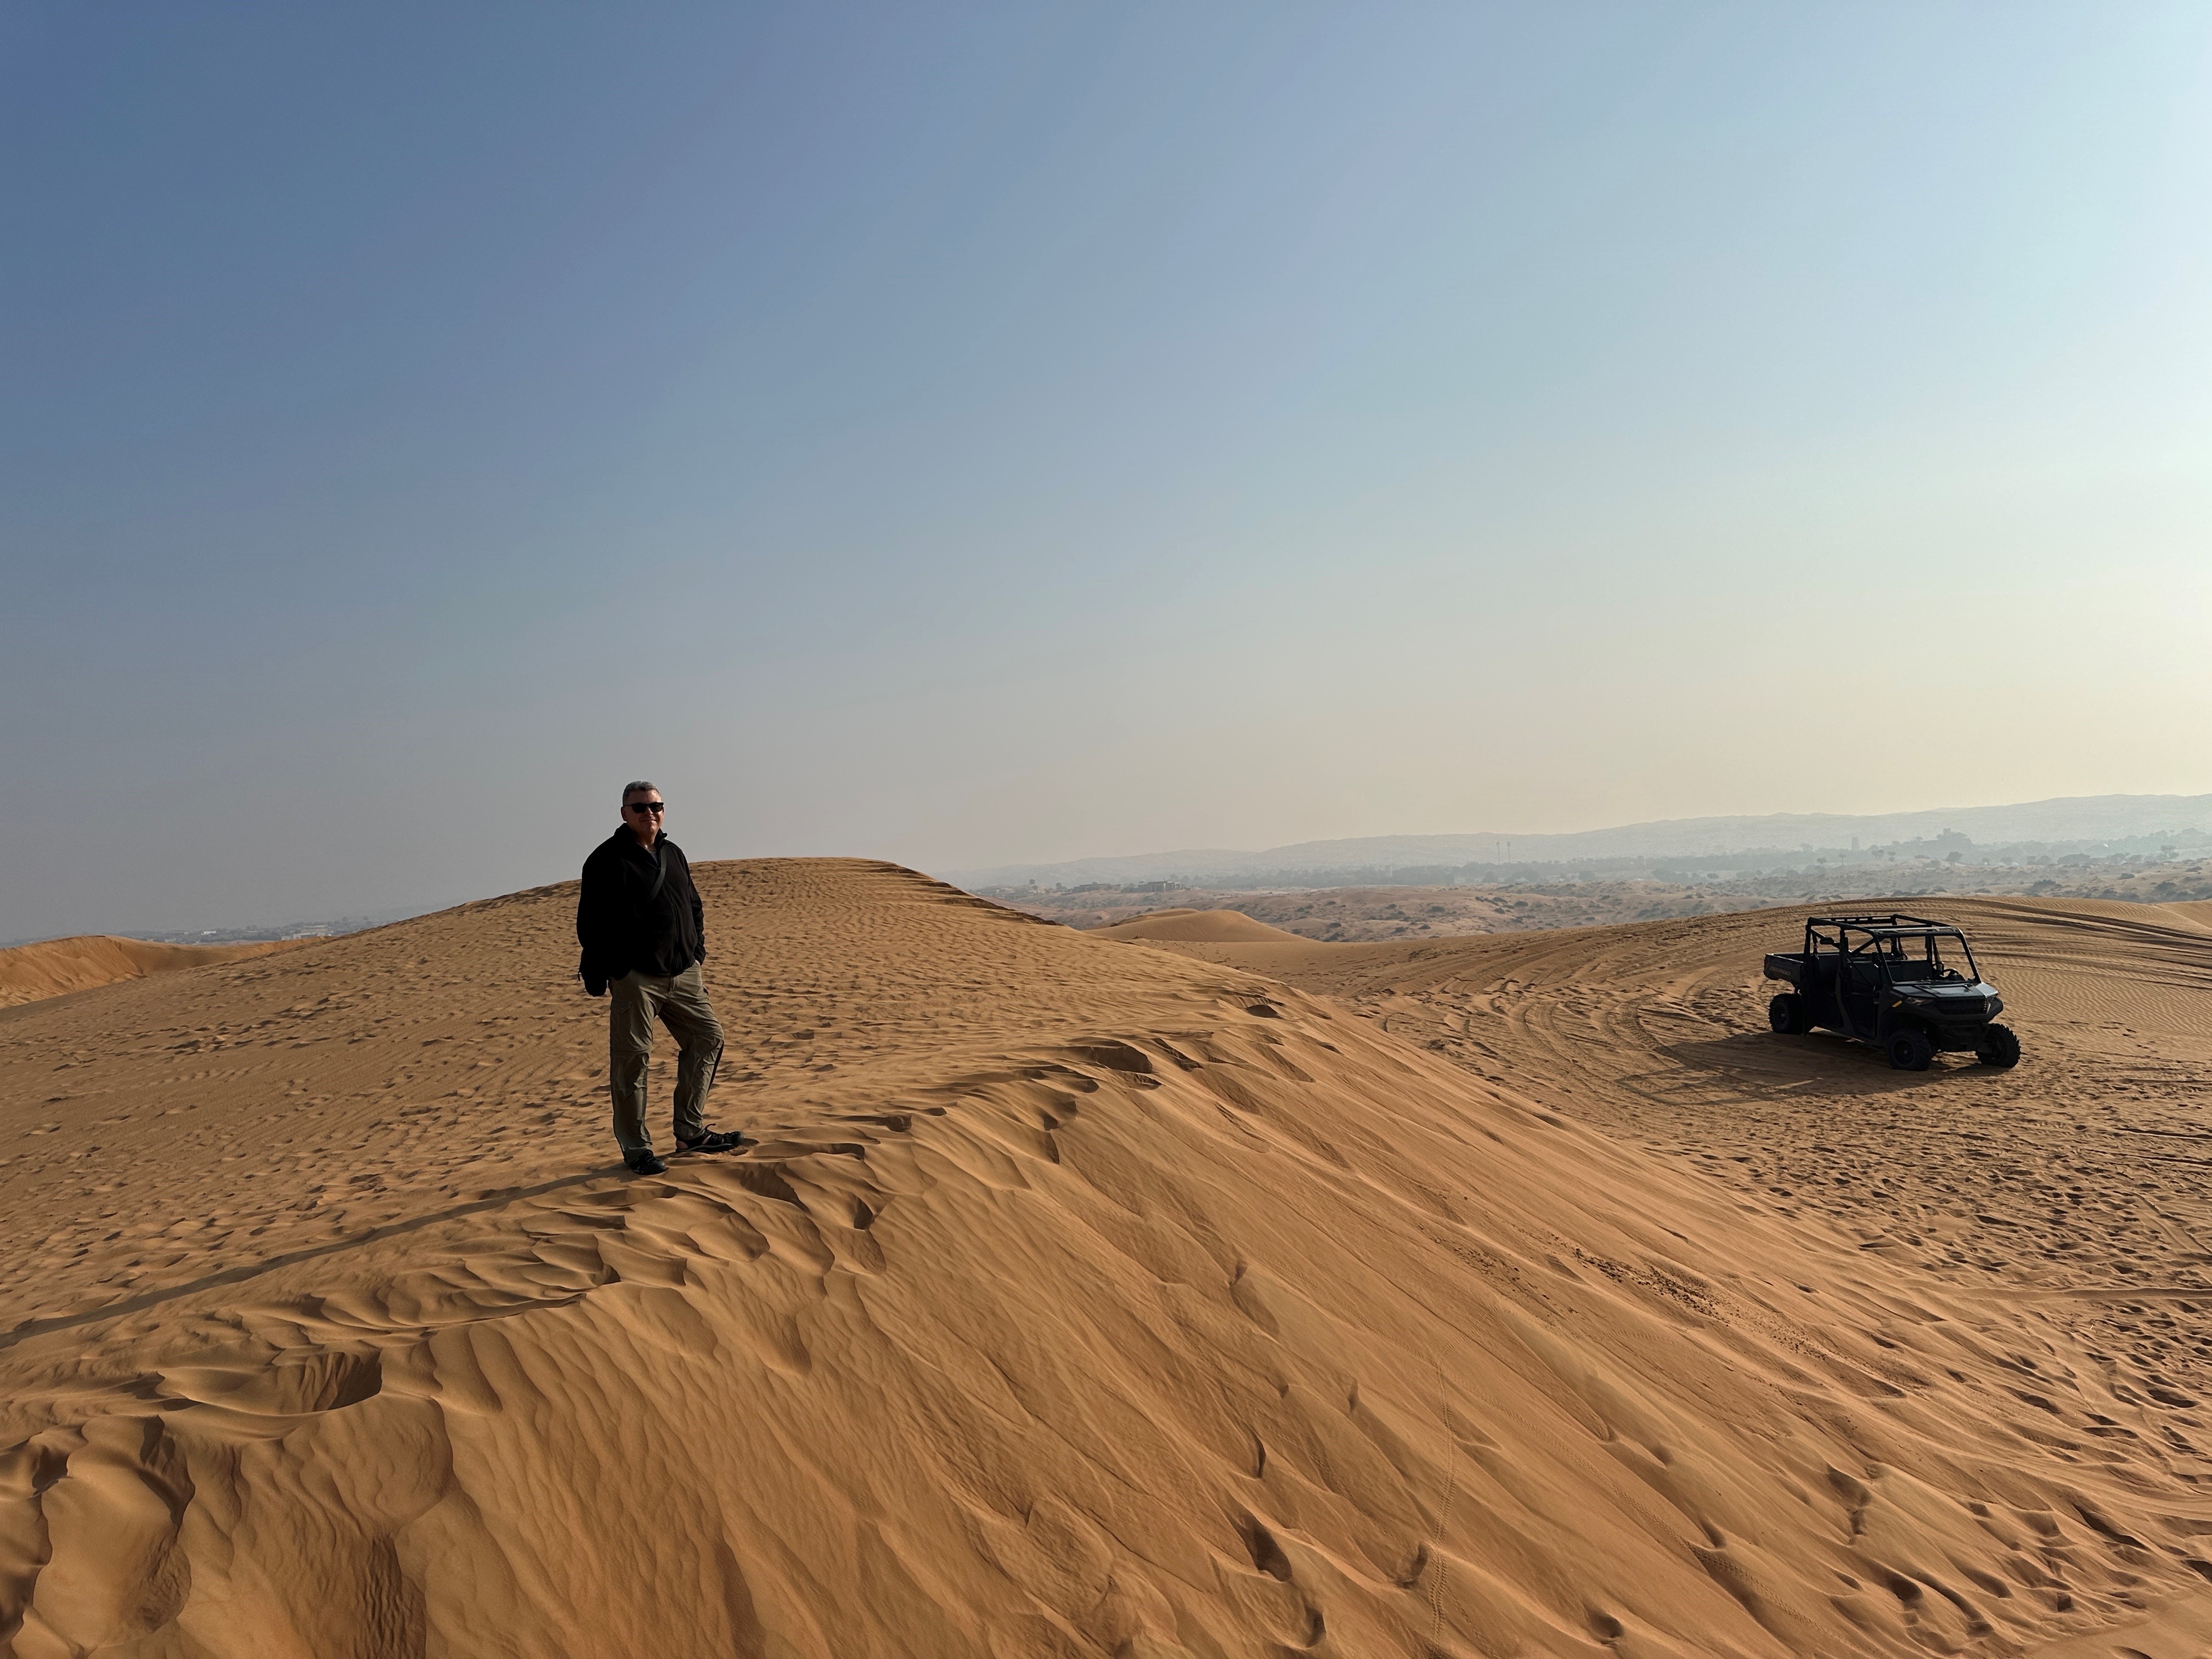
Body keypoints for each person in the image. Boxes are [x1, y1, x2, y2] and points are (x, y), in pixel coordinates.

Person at [577, 781, 746, 1174]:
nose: (649, 813)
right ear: (624, 814)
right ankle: (637, 1149)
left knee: (708, 1037)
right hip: (637, 977)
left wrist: (696, 954)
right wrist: (618, 969)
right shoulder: (606, 859)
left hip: (683, 972)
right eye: (639, 807)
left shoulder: (674, 853)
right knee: (632, 1061)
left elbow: (693, 905)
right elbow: (591, 924)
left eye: (655, 806)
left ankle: (690, 1131)